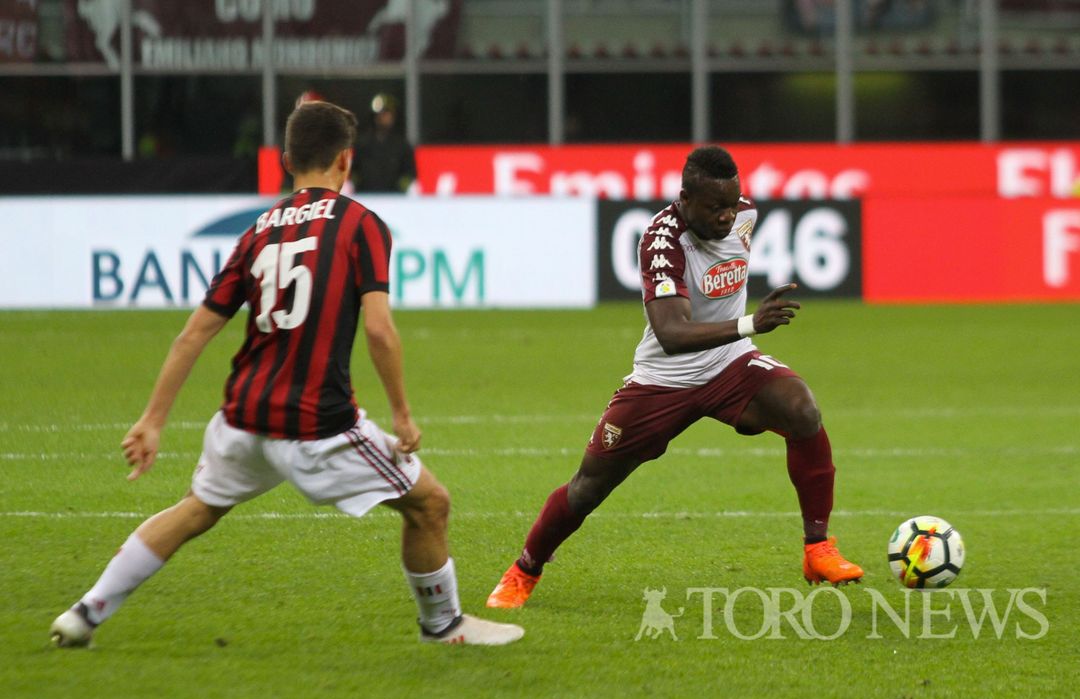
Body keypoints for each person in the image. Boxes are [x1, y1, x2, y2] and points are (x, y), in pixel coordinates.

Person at [50, 101, 523, 647]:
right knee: (429, 503)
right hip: (316, 424)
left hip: (243, 417)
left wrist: (152, 420)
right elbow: (379, 330)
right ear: (346, 161)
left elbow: (193, 334)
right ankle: (443, 626)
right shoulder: (361, 224)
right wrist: (402, 415)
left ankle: (85, 612)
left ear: (285, 159)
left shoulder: (257, 232)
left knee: (196, 510)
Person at [486, 145, 864, 609]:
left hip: (730, 363)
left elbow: (727, 252)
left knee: (802, 410)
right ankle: (524, 570)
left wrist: (741, 336)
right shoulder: (661, 241)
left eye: (732, 203)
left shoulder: (745, 214)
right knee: (589, 486)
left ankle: (817, 548)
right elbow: (671, 333)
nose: (727, 216)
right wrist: (749, 322)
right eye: (715, 207)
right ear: (685, 198)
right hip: (664, 379)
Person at [352, 93, 416, 193]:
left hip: (394, 199)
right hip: (365, 197)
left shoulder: (402, 145)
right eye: (380, 114)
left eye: (387, 113)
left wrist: (401, 190)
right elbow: (354, 172)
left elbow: (409, 173)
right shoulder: (362, 144)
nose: (384, 117)